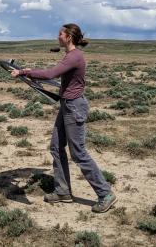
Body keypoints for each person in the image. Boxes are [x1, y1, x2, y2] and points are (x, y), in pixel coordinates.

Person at [10, 23, 117, 213]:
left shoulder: (75, 56)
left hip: (74, 107)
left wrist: (25, 72)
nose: (57, 37)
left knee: (78, 153)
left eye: (60, 34)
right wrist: (32, 73)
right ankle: (62, 191)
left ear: (68, 37)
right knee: (56, 147)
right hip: (67, 105)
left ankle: (105, 193)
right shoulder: (70, 55)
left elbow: (51, 73)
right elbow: (55, 76)